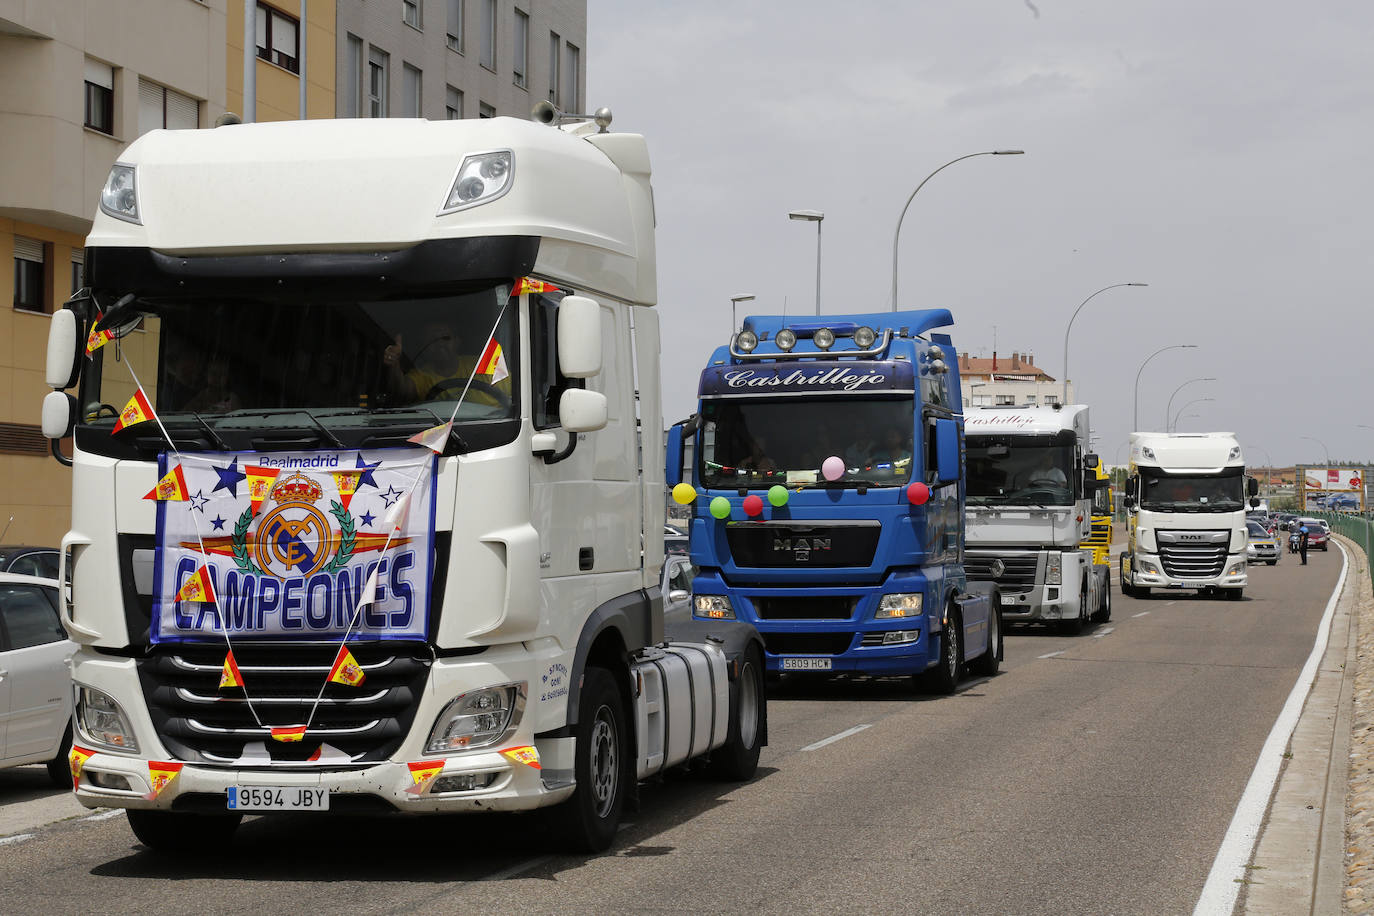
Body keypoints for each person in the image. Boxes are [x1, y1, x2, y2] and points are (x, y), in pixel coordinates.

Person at [381, 322, 510, 408]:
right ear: (425, 348)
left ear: (457, 342)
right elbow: (402, 391)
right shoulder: (422, 374)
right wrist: (394, 363)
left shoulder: (484, 364)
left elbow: (516, 394)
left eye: (445, 338)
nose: (440, 344)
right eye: (432, 341)